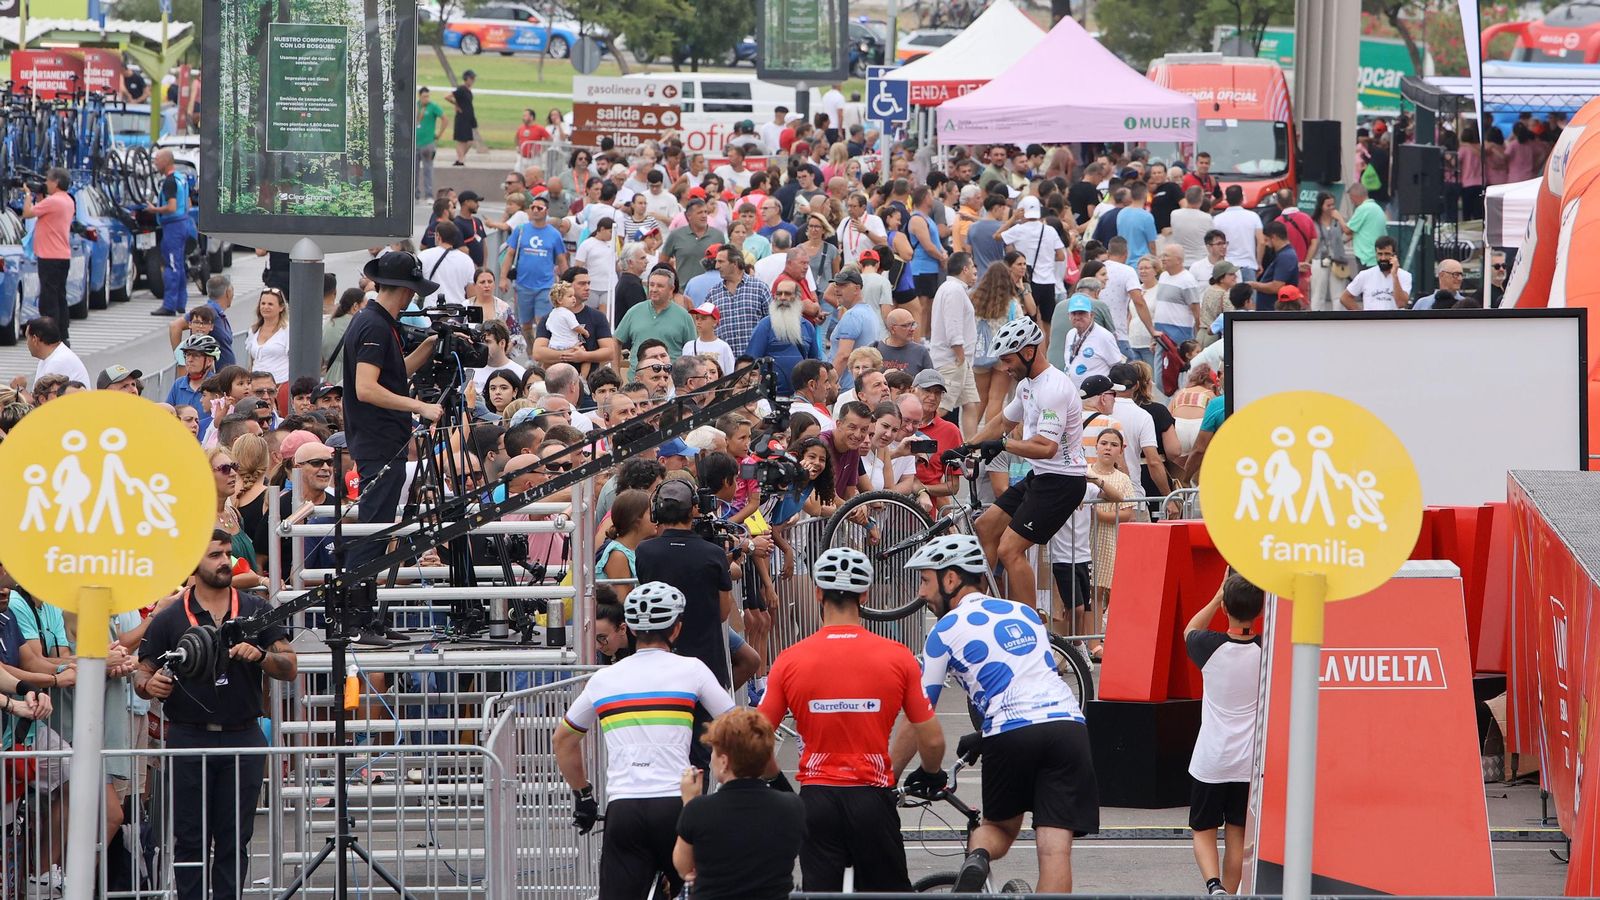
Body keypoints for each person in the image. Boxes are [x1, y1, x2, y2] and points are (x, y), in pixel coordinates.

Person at [900, 534, 1099, 893]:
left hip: (1010, 727)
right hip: (1067, 724)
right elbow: (1033, 679)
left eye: (926, 580)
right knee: (1055, 852)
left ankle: (977, 858)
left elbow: (919, 714)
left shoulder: (943, 631)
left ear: (951, 579)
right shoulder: (1023, 613)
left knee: (999, 830)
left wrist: (886, 777)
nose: (921, 593)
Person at [756, 547, 947, 893]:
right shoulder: (898, 656)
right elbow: (932, 740)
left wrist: (777, 783)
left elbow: (753, 740)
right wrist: (931, 774)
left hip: (817, 798)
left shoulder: (789, 660)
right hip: (871, 796)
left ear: (817, 592)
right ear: (865, 595)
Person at [134, 534, 297, 900]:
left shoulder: (256, 608)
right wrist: (150, 685)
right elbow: (141, 675)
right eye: (215, 555)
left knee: (234, 838)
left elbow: (289, 667)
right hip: (188, 736)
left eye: (227, 554)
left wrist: (261, 657)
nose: (225, 561)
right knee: (189, 839)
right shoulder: (170, 617)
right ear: (194, 566)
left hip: (244, 735)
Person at [553, 582, 736, 899]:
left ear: (632, 630)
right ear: (676, 629)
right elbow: (737, 726)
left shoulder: (604, 679)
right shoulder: (692, 670)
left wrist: (583, 795)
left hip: (625, 809)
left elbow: (563, 740)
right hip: (676, 803)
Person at [966, 318, 1086, 608]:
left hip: (1063, 480)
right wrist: (967, 445)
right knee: (985, 527)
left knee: (1010, 550)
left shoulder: (1054, 388)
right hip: (1042, 476)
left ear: (1028, 352)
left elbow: (1046, 447)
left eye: (1008, 360)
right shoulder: (1028, 385)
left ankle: (1030, 623)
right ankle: (980, 607)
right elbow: (1003, 422)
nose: (1005, 368)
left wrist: (1004, 444)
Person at [342, 252, 444, 571]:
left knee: (379, 528)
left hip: (382, 442)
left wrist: (426, 347)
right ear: (407, 290)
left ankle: (361, 604)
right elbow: (366, 388)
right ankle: (356, 607)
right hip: (379, 442)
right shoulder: (374, 325)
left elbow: (394, 373)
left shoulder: (377, 322)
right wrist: (420, 406)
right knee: (374, 533)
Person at [1184, 572, 1265, 897]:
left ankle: (1213, 886)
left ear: (1225, 608)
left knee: (1203, 829)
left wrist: (1217, 596)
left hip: (1211, 759)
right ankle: (1230, 893)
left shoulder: (1208, 647)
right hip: (1248, 764)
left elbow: (1190, 629)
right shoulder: (1266, 651)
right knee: (1238, 835)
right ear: (1260, 611)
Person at [674, 708, 806, 900]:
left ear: (724, 761)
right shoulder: (791, 807)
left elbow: (683, 867)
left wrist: (688, 802)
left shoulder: (699, 810)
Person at [634, 480, 735, 686]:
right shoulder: (714, 554)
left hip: (662, 662)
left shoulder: (644, 552)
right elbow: (724, 612)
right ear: (693, 510)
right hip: (706, 661)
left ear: (656, 512)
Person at [501, 195, 570, 347]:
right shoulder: (521, 230)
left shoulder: (554, 234)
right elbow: (510, 255)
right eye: (532, 207)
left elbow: (561, 260)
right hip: (523, 285)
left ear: (547, 211)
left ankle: (541, 355)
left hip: (545, 286)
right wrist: (503, 278)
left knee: (542, 322)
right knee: (525, 324)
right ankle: (531, 354)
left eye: (539, 208)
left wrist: (567, 284)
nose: (535, 211)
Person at [930, 251, 980, 436]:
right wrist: (959, 355)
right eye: (972, 266)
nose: (975, 270)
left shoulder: (953, 289)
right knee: (942, 408)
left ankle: (971, 448)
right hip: (953, 360)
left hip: (961, 360)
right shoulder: (954, 290)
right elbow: (953, 325)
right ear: (965, 268)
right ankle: (920, 438)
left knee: (970, 403)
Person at [23, 168, 75, 337]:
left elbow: (27, 213)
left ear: (56, 182)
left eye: (48, 181)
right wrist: (40, 198)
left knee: (48, 299)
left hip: (49, 256)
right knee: (60, 296)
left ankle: (50, 335)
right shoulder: (68, 201)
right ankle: (63, 333)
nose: (45, 184)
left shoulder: (53, 201)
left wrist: (27, 195)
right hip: (63, 255)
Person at [745, 278, 819, 395]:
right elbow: (751, 362)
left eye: (788, 294)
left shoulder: (808, 327)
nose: (782, 298)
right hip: (770, 396)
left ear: (798, 298)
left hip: (801, 397)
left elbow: (815, 363)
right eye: (779, 294)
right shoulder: (765, 326)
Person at [147, 149, 195, 317]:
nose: (155, 164)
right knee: (180, 265)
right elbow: (188, 203)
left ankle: (169, 305)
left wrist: (154, 210)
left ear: (166, 162)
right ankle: (181, 303)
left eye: (157, 160)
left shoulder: (169, 182)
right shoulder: (182, 178)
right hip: (184, 223)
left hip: (172, 226)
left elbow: (171, 207)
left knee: (172, 266)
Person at [1051, 294, 1123, 385]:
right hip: (1074, 391)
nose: (1077, 317)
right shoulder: (1071, 334)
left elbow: (1116, 366)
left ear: (1091, 315)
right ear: (1069, 315)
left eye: (1081, 313)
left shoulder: (1104, 336)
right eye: (1074, 313)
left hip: (1097, 394)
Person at [1340, 236, 1410, 311]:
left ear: (1394, 255)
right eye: (1380, 254)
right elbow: (1345, 298)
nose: (1383, 258)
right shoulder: (1365, 275)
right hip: (1371, 321)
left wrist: (1394, 275)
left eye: (1387, 254)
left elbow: (1401, 303)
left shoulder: (1405, 276)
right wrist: (1362, 316)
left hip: (1395, 321)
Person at [418, 221, 476, 308]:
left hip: (430, 311)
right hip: (457, 312)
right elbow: (471, 295)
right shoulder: (467, 260)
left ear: (438, 236)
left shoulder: (424, 256)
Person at [21, 317, 90, 390]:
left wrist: (20, 389)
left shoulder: (58, 361)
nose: (27, 343)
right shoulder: (48, 357)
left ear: (35, 339)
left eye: (27, 338)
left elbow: (44, 399)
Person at [1246, 221, 1300, 311]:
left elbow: (1276, 287)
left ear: (1274, 237)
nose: (1266, 244)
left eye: (1267, 240)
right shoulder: (1284, 255)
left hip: (1272, 310)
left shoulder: (1285, 256)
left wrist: (1253, 284)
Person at [1213, 185, 1263, 282]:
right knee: (1249, 296)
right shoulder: (1253, 217)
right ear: (1242, 198)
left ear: (1226, 199)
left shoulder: (1217, 219)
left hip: (1226, 267)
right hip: (1248, 265)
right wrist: (1258, 263)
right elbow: (1261, 242)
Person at [415, 87, 447, 201]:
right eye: (424, 96)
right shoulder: (415, 106)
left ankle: (429, 194)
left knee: (428, 169)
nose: (426, 99)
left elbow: (444, 118)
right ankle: (415, 194)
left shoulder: (433, 106)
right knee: (414, 170)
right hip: (415, 143)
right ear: (419, 96)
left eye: (428, 96)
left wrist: (439, 134)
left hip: (428, 143)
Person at [1344, 182, 1386, 271]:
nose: (1351, 202)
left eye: (1351, 198)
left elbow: (1347, 230)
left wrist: (1337, 216)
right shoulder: (1377, 208)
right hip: (1376, 256)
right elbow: (1362, 231)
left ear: (1355, 196)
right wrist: (1342, 241)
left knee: (1366, 284)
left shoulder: (1363, 209)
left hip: (1367, 256)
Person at [448, 70, 478, 165]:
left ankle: (460, 157)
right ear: (467, 79)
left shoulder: (468, 91)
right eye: (471, 79)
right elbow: (448, 97)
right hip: (461, 118)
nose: (473, 81)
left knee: (469, 141)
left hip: (468, 117)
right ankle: (461, 159)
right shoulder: (461, 89)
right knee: (461, 140)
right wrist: (456, 105)